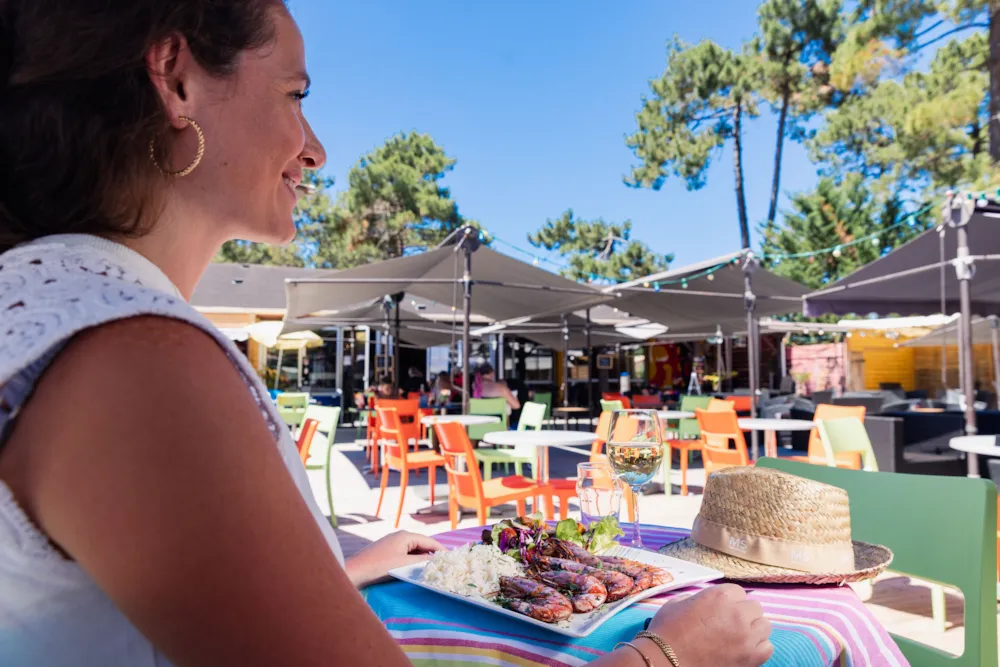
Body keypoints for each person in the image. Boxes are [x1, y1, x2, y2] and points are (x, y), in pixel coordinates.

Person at [0, 2, 772, 666]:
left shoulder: (53, 303)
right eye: (295, 94)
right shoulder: (136, 361)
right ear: (176, 79)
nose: (315, 148)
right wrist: (669, 652)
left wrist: (332, 570)